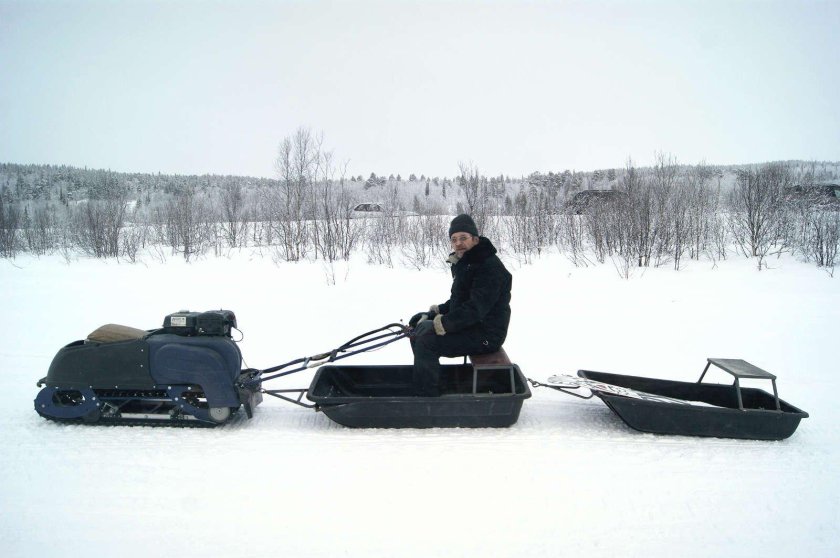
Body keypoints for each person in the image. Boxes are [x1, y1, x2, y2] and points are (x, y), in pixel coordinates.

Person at [408, 214, 512, 396]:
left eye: (463, 238)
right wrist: (434, 314)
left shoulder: (489, 267)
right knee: (418, 332)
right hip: (473, 327)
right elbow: (460, 301)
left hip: (486, 334)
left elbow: (475, 309)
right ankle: (430, 381)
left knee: (426, 341)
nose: (458, 243)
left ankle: (427, 398)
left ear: (475, 239)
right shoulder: (468, 263)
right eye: (454, 239)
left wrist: (440, 324)